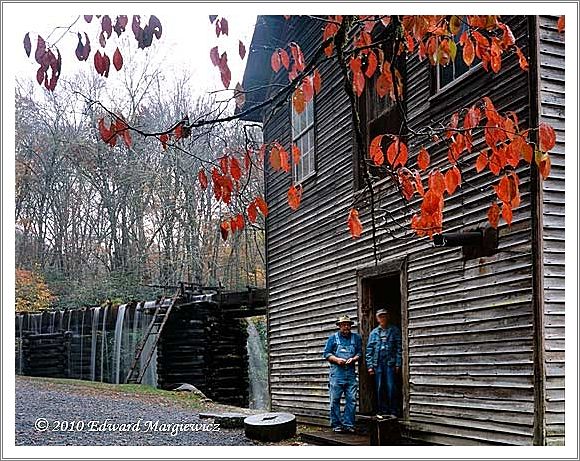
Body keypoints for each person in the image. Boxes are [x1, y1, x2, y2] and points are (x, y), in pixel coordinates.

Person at [323, 314, 362, 433]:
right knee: (335, 400)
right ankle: (336, 425)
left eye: (348, 324)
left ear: (350, 326)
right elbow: (327, 354)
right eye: (343, 324)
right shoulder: (333, 338)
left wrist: (354, 359)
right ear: (339, 326)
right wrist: (337, 360)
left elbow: (360, 352)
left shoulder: (356, 338)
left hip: (350, 374)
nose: (346, 326)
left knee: (351, 400)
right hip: (337, 374)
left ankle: (348, 424)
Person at [365, 308, 402, 417]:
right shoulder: (374, 333)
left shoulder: (394, 330)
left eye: (384, 316)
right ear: (377, 319)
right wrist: (370, 366)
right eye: (380, 316)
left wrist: (398, 363)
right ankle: (383, 411)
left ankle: (394, 411)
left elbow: (399, 348)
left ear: (388, 317)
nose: (383, 318)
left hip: (390, 363)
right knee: (380, 387)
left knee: (391, 387)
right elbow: (369, 351)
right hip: (378, 363)